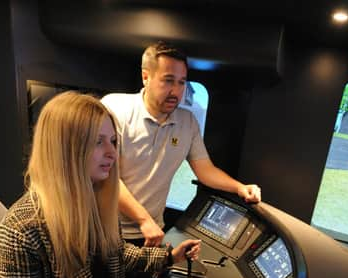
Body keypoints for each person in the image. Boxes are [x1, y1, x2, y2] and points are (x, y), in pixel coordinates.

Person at [0, 91, 200, 278]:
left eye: (113, 141)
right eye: (98, 142)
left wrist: (168, 257)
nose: (112, 153)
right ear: (65, 148)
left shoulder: (92, 203)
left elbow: (113, 253)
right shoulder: (18, 233)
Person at [102, 41, 262, 248]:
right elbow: (107, 175)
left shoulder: (187, 122)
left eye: (181, 82)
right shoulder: (114, 109)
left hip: (152, 231)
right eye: (168, 80)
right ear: (145, 77)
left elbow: (205, 170)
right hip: (106, 229)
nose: (176, 91)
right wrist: (143, 220)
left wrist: (240, 188)